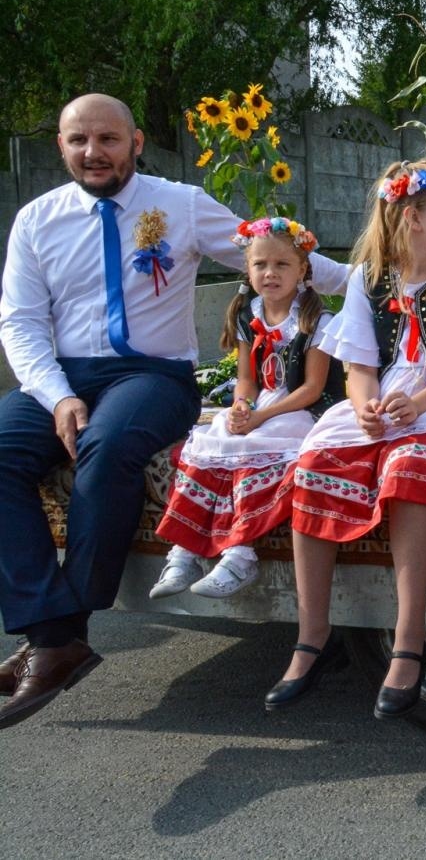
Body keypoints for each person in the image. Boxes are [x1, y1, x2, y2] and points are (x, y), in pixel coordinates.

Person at [0, 94, 347, 729]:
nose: (92, 152)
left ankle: (57, 638)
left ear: (135, 143)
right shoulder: (37, 220)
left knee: (107, 450)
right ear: (61, 145)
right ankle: (53, 637)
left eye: (108, 139)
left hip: (151, 376)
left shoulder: (180, 204)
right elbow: (20, 324)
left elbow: (270, 254)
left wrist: (381, 278)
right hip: (64, 377)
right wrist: (57, 396)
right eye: (79, 140)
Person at [266, 157, 426, 719]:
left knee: (408, 471)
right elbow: (360, 364)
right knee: (316, 460)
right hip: (384, 394)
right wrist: (368, 404)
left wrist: (413, 406)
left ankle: (409, 637)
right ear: (413, 218)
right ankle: (312, 635)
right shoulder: (369, 277)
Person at [151, 217, 341, 600]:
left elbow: (312, 388)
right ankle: (184, 550)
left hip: (303, 411)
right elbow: (247, 378)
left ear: (303, 269)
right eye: (260, 265)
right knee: (215, 440)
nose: (270, 273)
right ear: (248, 269)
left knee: (255, 447)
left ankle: (240, 553)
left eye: (282, 264)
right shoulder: (247, 315)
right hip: (262, 405)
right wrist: (241, 406)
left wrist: (259, 417)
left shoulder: (316, 320)